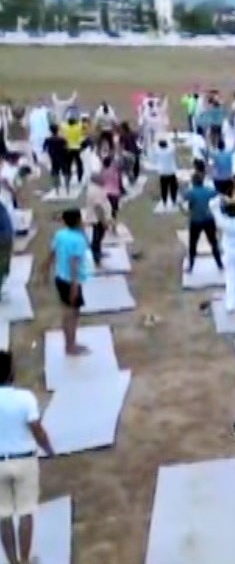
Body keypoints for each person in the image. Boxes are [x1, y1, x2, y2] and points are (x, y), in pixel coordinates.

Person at [0, 350, 55, 564]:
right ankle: (24, 560)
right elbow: (37, 430)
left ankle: (12, 561)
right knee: (26, 512)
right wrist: (48, 449)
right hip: (24, 461)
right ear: (12, 371)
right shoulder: (25, 398)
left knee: (3, 515)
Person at [39, 208, 90, 355]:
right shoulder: (78, 240)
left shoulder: (60, 234)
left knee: (67, 313)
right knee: (72, 315)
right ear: (79, 220)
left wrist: (44, 271)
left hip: (60, 278)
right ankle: (70, 346)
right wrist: (74, 287)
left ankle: (70, 343)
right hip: (70, 281)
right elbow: (74, 263)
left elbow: (52, 253)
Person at [182, 172, 223, 273]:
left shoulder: (191, 192)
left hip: (195, 220)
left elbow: (182, 199)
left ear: (193, 182)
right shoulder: (208, 190)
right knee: (213, 242)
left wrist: (185, 212)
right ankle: (220, 264)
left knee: (193, 244)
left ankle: (191, 266)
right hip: (209, 219)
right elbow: (218, 194)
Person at [84, 173, 112, 268]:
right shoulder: (96, 191)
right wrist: (104, 221)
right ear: (96, 180)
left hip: (97, 218)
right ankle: (97, 259)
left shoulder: (95, 189)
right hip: (98, 219)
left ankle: (97, 254)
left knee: (98, 238)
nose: (103, 179)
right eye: (101, 178)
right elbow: (98, 208)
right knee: (97, 238)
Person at [151, 137, 179, 209]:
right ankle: (174, 201)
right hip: (171, 171)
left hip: (162, 172)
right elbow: (173, 147)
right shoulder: (171, 150)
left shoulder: (157, 151)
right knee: (173, 188)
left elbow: (153, 160)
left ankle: (164, 202)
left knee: (164, 188)